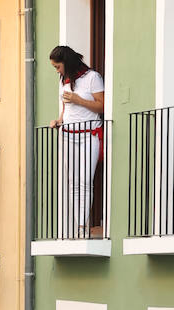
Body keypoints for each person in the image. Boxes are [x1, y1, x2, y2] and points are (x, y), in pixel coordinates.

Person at [49, 46, 105, 237]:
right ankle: (78, 226)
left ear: (67, 62)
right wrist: (58, 120)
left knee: (85, 181)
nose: (57, 71)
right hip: (68, 134)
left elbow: (102, 105)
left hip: (89, 134)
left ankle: (83, 226)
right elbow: (66, 109)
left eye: (58, 66)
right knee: (73, 182)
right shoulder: (65, 81)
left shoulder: (92, 77)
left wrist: (78, 99)